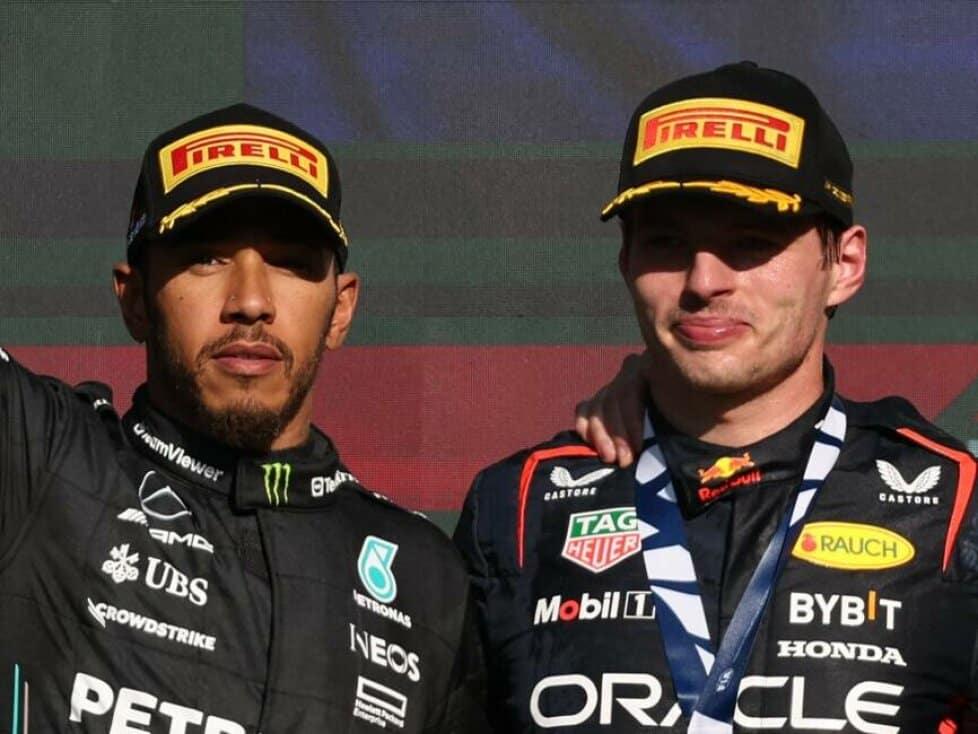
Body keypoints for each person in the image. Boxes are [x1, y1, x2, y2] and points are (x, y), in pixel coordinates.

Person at [454, 62, 978, 732]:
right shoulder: (518, 507)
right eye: (667, 243)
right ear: (625, 260)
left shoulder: (953, 507)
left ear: (844, 265)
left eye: (751, 242)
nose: (704, 281)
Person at [0, 104, 487, 733]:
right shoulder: (41, 463)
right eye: (207, 257)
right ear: (136, 300)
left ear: (341, 309)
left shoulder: (426, 580)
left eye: (290, 262)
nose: (251, 302)